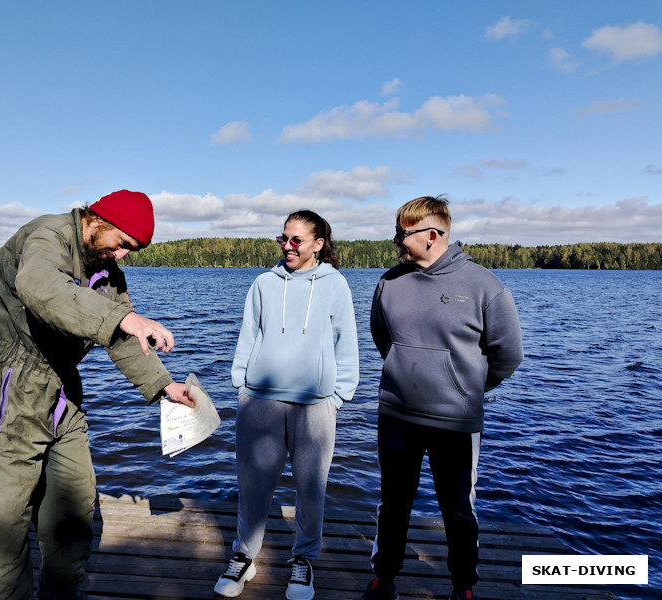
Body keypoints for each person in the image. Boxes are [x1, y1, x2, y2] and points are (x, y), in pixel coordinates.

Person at [0, 189, 194, 600]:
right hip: (0, 395)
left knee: (76, 513)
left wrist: (164, 385)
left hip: (60, 396)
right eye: (124, 244)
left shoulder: (105, 269)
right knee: (0, 536)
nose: (124, 255)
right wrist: (125, 317)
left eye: (133, 250)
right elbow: (39, 284)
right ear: (97, 219)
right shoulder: (46, 235)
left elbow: (119, 336)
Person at [360, 196, 523, 600]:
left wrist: (466, 388)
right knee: (393, 503)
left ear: (432, 236)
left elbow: (508, 353)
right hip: (397, 415)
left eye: (403, 233)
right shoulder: (389, 283)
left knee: (457, 508)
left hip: (456, 422)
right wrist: (408, 373)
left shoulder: (484, 286)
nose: (395, 239)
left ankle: (462, 586)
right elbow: (384, 339)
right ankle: (385, 579)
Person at [214, 210, 359, 600]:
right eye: (283, 238)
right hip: (260, 401)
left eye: (297, 240)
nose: (288, 246)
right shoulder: (263, 282)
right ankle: (244, 557)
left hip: (314, 406)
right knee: (253, 485)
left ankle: (304, 561)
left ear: (318, 244)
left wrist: (339, 396)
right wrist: (241, 386)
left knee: (311, 489)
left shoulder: (334, 285)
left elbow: (347, 342)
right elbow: (249, 333)